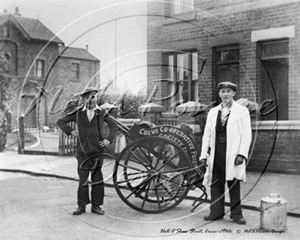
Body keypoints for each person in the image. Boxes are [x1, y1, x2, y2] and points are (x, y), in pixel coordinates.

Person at [57, 88, 118, 216]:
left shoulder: (102, 113)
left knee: (97, 179)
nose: (92, 100)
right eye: (89, 97)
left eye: (94, 97)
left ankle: (96, 206)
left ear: (96, 99)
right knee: (83, 179)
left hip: (97, 151)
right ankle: (81, 206)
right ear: (84, 100)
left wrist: (108, 140)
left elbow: (114, 126)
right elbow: (61, 122)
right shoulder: (78, 113)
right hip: (82, 151)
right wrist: (71, 131)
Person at [200, 81, 252, 225]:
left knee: (233, 184)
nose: (225, 94)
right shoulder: (213, 111)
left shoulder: (242, 111)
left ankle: (237, 215)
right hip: (217, 152)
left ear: (234, 93)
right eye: (222, 91)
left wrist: (242, 154)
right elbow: (207, 134)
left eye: (228, 91)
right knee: (216, 183)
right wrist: (204, 154)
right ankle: (216, 212)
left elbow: (246, 135)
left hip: (234, 153)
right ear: (219, 94)